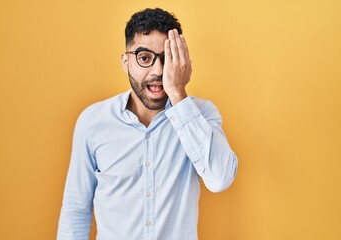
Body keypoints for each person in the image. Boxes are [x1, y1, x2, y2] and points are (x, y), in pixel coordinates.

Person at [57, 8, 238, 240]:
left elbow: (220, 179)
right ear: (126, 62)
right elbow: (76, 210)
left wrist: (178, 94)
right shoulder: (93, 122)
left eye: (167, 58)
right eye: (144, 58)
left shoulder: (200, 114)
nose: (158, 70)